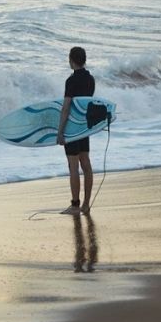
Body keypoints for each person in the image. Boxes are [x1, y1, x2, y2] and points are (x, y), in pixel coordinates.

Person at [57, 46, 95, 215]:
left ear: (71, 60)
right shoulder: (90, 79)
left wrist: (60, 131)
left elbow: (66, 108)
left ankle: (74, 206)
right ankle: (86, 204)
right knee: (86, 164)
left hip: (72, 128)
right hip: (84, 127)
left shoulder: (71, 81)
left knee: (73, 167)